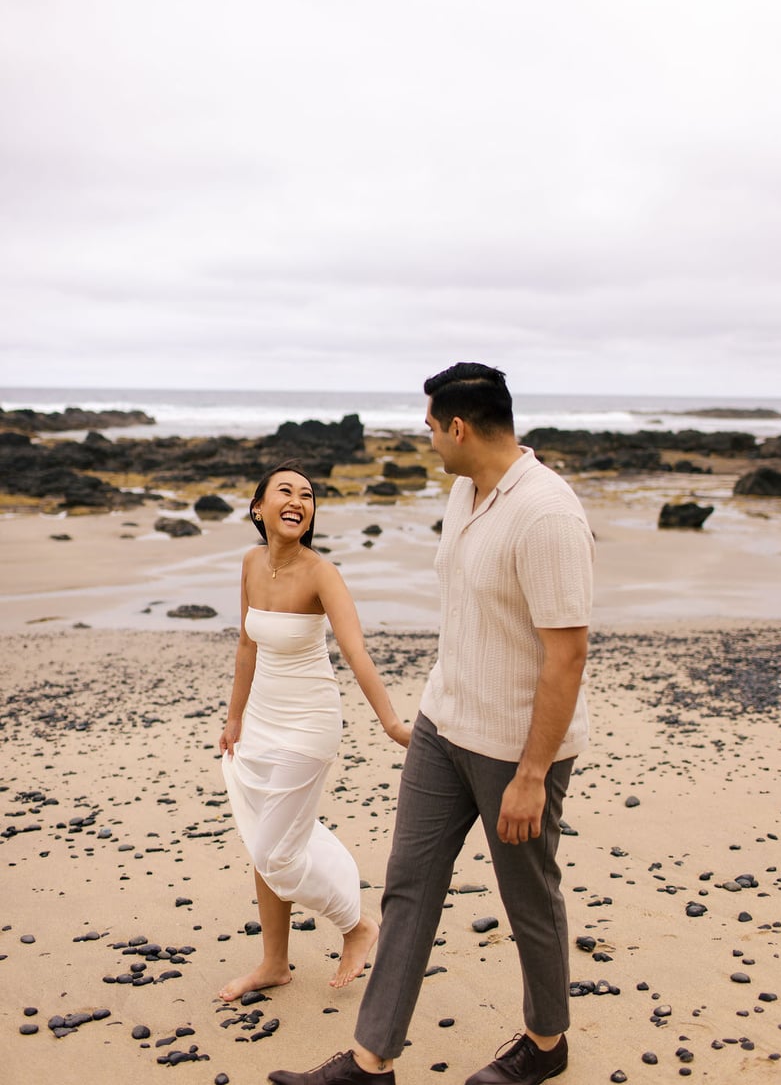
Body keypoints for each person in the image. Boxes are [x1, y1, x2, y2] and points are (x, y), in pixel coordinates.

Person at [268, 363, 594, 1085]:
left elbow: (568, 655)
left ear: (459, 426)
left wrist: (533, 774)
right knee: (409, 884)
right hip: (444, 726)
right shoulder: (463, 490)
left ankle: (547, 1042)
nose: (426, 439)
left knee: (528, 898)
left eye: (429, 427)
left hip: (517, 746)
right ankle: (370, 1059)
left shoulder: (547, 513)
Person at [218, 459, 410, 1001]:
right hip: (261, 719)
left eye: (307, 494)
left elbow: (355, 652)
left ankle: (355, 925)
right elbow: (247, 645)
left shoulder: (322, 573)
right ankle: (274, 963)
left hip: (308, 722)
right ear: (259, 507)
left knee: (276, 851)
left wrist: (391, 722)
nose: (298, 499)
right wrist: (234, 716)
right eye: (285, 491)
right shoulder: (251, 563)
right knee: (264, 842)